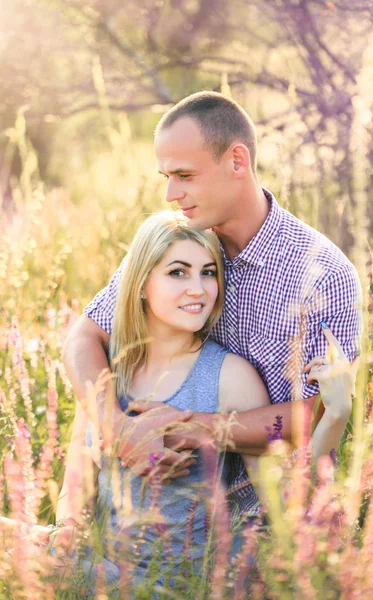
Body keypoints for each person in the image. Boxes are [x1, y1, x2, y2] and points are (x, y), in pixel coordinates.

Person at [63, 91, 362, 518]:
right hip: (165, 502)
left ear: (237, 161)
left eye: (184, 174)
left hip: (271, 517)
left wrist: (184, 425)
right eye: (165, 176)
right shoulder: (182, 241)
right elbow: (86, 333)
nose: (170, 193)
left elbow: (318, 412)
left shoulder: (323, 274)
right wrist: (118, 428)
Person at [51, 211, 352, 595]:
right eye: (178, 272)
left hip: (177, 584)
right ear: (141, 283)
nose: (198, 288)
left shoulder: (230, 377)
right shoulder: (108, 370)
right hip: (101, 568)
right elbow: (77, 476)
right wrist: (67, 532)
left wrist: (336, 418)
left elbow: (281, 506)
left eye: (208, 272)